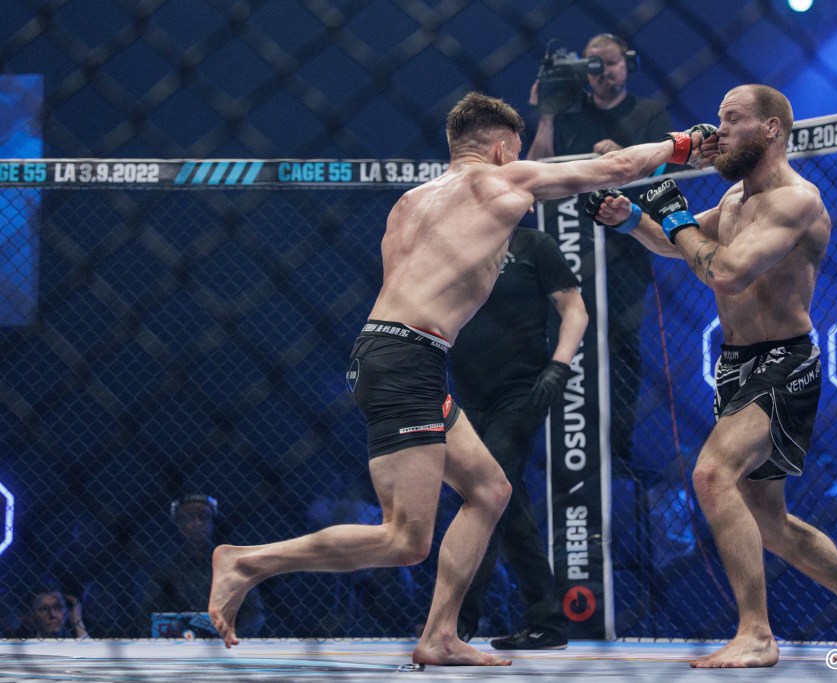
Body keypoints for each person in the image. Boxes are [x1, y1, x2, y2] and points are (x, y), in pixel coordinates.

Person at [206, 91, 703, 667]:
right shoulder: (498, 180)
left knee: (490, 491)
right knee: (404, 540)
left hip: (395, 354)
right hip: (408, 362)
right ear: (502, 150)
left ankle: (441, 634)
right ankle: (247, 561)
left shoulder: (409, 203)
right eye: (516, 153)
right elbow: (615, 168)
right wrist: (681, 145)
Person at [583, 84, 837, 668]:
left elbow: (726, 272)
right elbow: (680, 247)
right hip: (735, 367)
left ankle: (756, 633)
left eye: (733, 118)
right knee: (769, 523)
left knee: (711, 475)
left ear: (771, 128)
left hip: (784, 362)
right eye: (718, 117)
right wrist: (630, 218)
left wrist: (675, 214)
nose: (719, 129)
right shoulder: (733, 199)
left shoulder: (795, 200)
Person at [528, 33, 673, 464]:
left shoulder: (648, 113)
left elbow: (666, 172)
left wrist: (625, 158)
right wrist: (547, 116)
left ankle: (618, 446)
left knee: (622, 342)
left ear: (628, 63)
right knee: (568, 337)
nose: (603, 71)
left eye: (610, 62)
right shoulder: (571, 115)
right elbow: (535, 171)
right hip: (572, 244)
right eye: (593, 64)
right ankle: (573, 445)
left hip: (628, 242)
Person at [451, 226, 586, 650]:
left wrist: (558, 367)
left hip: (521, 391)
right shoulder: (458, 245)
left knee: (483, 493)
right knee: (506, 502)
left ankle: (455, 622)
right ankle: (547, 620)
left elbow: (574, 309)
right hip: (470, 394)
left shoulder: (533, 245)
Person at [141, 494, 265, 638]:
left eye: (203, 517)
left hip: (226, 643)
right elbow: (147, 614)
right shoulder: (164, 571)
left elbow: (254, 612)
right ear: (179, 524)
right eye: (189, 518)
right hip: (179, 644)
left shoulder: (232, 567)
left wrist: (235, 637)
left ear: (212, 522)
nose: (197, 523)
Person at [13, 587, 88, 638]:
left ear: (67, 611)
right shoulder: (22, 640)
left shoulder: (77, 636)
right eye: (43, 609)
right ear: (33, 615)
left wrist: (77, 622)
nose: (52, 615)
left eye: (58, 607)